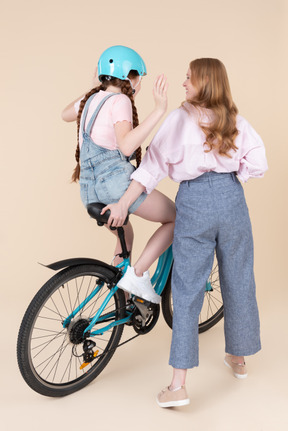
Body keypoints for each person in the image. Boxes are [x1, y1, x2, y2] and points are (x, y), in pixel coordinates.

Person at [101, 58, 268, 407]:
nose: (183, 84)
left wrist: (123, 203)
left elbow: (150, 170)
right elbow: (258, 163)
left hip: (195, 202)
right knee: (239, 279)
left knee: (188, 289)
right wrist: (234, 179)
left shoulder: (179, 119)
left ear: (204, 83)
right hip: (232, 200)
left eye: (189, 78)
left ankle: (178, 386)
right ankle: (238, 359)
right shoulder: (233, 119)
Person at [62, 45, 176, 304]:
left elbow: (64, 114)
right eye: (139, 79)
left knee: (127, 236)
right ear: (130, 77)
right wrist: (158, 110)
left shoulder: (91, 99)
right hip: (115, 186)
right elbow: (126, 146)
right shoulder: (120, 101)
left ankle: (121, 300)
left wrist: (94, 86)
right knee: (175, 218)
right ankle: (138, 274)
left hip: (89, 190)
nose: (139, 85)